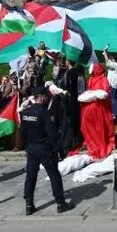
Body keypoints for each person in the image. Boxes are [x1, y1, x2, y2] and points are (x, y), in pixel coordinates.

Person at [20, 86, 73, 215]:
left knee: (30, 176)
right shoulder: (45, 113)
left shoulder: (25, 113)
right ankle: (60, 203)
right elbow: (53, 134)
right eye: (47, 97)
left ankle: (29, 205)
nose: (48, 99)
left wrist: (26, 147)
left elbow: (23, 133)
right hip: (44, 148)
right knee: (54, 175)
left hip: (31, 148)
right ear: (42, 97)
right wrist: (60, 151)